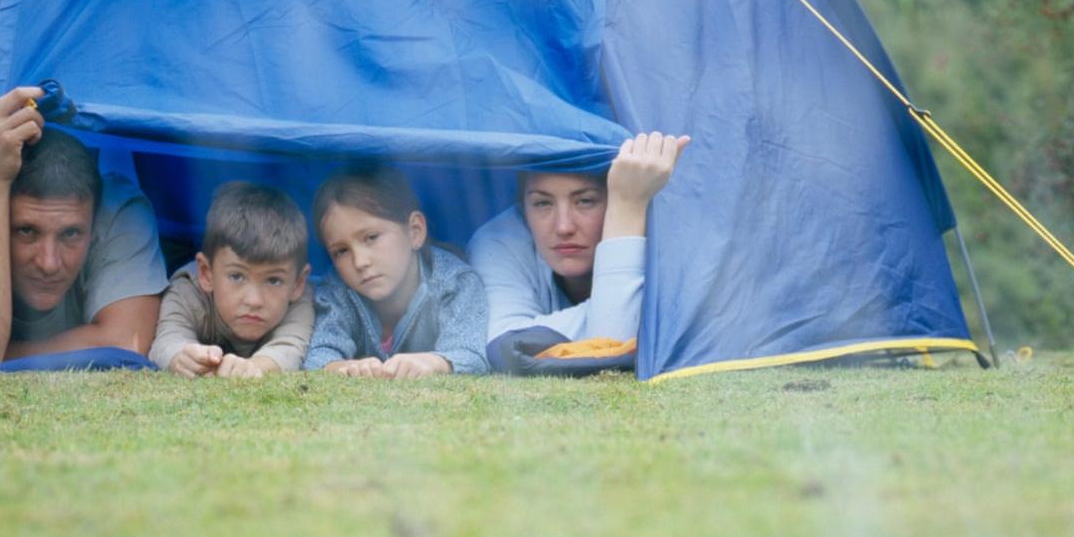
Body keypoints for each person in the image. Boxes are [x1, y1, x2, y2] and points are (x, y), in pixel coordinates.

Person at [0, 86, 167, 367]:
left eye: (71, 234)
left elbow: (126, 343)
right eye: (26, 231)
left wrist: (0, 357)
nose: (48, 263)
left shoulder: (116, 209)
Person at [467, 132, 689, 345]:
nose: (564, 227)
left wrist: (627, 206)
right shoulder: (498, 239)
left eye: (585, 201)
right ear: (523, 207)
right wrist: (637, 310)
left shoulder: (666, 238)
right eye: (542, 203)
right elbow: (507, 342)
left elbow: (611, 337)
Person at [302, 166, 488, 378]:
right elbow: (319, 354)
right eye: (341, 251)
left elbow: (471, 354)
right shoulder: (336, 289)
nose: (360, 262)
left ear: (414, 231)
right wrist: (340, 367)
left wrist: (435, 363)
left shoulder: (456, 283)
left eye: (371, 237)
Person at [149, 181, 314, 378]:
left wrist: (255, 367)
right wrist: (182, 357)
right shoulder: (188, 291)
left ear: (298, 283)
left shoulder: (299, 302)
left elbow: (289, 348)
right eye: (237, 276)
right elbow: (167, 339)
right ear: (206, 273)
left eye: (273, 280)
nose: (254, 301)